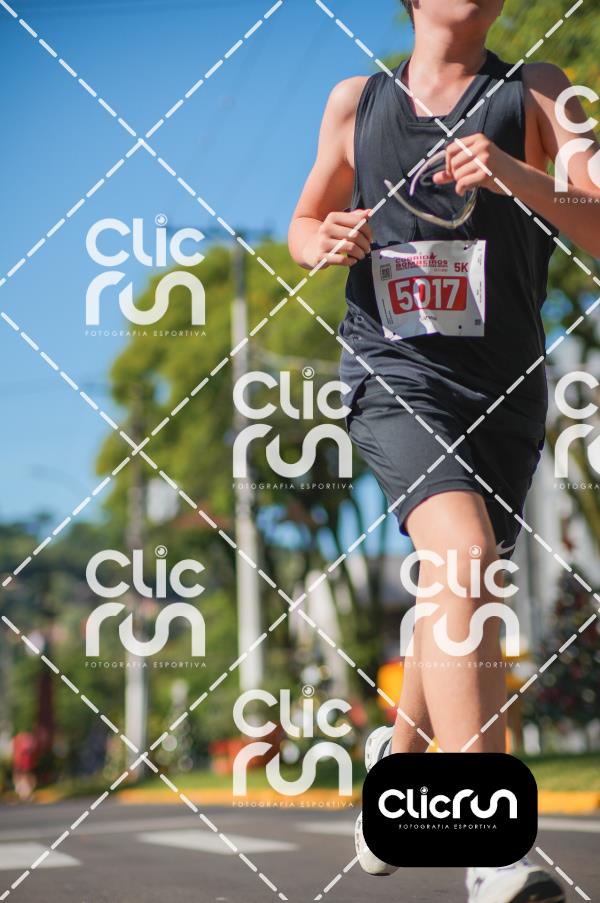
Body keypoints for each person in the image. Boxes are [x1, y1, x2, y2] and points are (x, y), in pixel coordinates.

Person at [288, 1, 600, 901]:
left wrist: (519, 175)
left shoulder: (541, 92)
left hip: (503, 390)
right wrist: (322, 241)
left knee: (455, 583)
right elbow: (306, 221)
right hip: (395, 373)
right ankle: (490, 847)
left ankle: (398, 776)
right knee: (463, 558)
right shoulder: (356, 103)